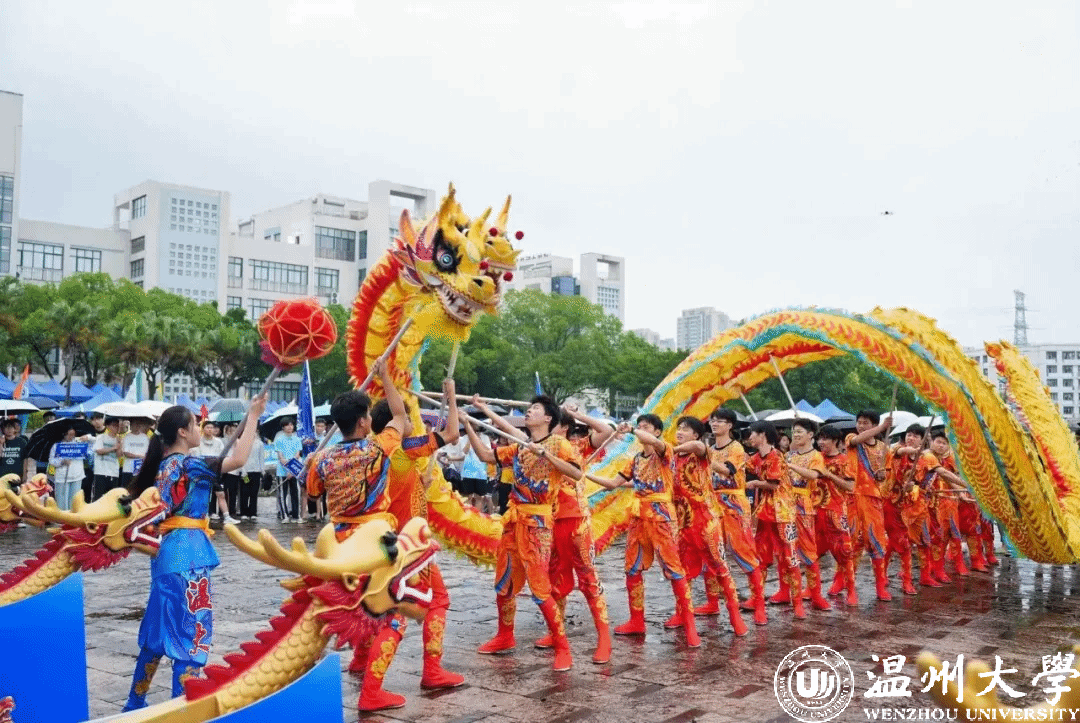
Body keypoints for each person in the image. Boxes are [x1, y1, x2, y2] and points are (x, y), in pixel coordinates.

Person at [120, 395, 266, 711]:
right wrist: (253, 416)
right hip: (189, 556)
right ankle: (181, 710)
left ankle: (134, 702)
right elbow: (239, 459)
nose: (200, 429)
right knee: (191, 634)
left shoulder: (159, 468)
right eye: (196, 424)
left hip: (165, 556)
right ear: (183, 432)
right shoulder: (191, 465)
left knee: (156, 633)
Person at [306, 360, 411, 710]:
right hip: (373, 542)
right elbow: (401, 416)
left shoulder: (323, 458)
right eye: (367, 415)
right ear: (364, 421)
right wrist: (385, 377)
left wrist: (313, 462)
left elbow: (313, 494)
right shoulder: (378, 447)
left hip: (337, 544)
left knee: (357, 604)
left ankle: (360, 660)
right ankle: (372, 692)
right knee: (391, 615)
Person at [466, 395, 585, 670]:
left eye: (535, 409)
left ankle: (562, 646)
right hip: (513, 521)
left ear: (548, 418)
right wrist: (469, 424)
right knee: (504, 583)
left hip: (538, 524)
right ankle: (505, 636)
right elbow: (486, 456)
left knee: (540, 587)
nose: (529, 412)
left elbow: (577, 474)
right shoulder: (520, 446)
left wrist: (547, 456)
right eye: (529, 408)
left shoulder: (559, 444)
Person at [373, 378, 466, 693]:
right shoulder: (404, 448)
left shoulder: (372, 451)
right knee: (436, 600)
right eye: (408, 419)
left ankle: (361, 661)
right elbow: (452, 434)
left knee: (378, 604)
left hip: (381, 540)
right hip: (411, 547)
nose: (413, 423)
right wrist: (451, 395)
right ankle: (431, 671)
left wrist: (418, 485)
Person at [587, 414, 701, 648]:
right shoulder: (635, 460)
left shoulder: (664, 451)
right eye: (639, 426)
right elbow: (613, 484)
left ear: (657, 432)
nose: (641, 430)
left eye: (645, 427)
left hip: (661, 517)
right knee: (632, 569)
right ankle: (636, 621)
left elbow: (654, 443)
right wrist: (583, 475)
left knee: (674, 570)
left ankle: (690, 626)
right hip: (638, 518)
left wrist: (630, 430)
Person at [666, 415, 747, 637]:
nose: (680, 432)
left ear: (696, 434)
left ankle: (735, 616)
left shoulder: (701, 452)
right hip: (683, 523)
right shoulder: (672, 459)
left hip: (705, 520)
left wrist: (669, 449)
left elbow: (697, 446)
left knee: (719, 567)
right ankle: (682, 614)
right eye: (678, 428)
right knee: (681, 572)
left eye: (685, 429)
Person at [708, 408, 767, 626]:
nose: (715, 424)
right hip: (713, 503)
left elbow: (727, 471)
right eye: (713, 420)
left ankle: (759, 604)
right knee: (711, 550)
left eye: (720, 421)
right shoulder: (710, 448)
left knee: (743, 551)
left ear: (730, 425)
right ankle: (712, 602)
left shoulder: (736, 448)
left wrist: (705, 457)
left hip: (734, 504)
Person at [745, 420, 805, 619]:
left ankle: (798, 603)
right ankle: (756, 598)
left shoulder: (776, 456)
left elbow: (773, 484)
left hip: (783, 513)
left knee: (790, 557)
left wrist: (755, 482)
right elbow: (742, 468)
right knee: (760, 556)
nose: (749, 437)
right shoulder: (755, 458)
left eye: (752, 433)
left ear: (762, 434)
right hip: (764, 513)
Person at [844, 410, 893, 601]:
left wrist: (882, 476)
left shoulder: (884, 448)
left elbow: (886, 476)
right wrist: (882, 428)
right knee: (851, 542)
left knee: (876, 541)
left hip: (873, 499)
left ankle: (880, 587)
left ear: (873, 424)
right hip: (853, 497)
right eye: (859, 422)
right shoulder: (852, 439)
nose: (861, 426)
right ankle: (849, 587)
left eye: (865, 423)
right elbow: (858, 439)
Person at [783, 418, 830, 612]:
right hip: (785, 505)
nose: (796, 435)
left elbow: (814, 475)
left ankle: (816, 595)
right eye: (794, 431)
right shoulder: (789, 455)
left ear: (811, 435)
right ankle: (791, 595)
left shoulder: (816, 456)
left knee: (809, 550)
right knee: (787, 551)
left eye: (800, 431)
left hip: (804, 506)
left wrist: (791, 466)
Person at [814, 425, 857, 606]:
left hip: (836, 511)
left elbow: (850, 486)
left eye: (825, 439)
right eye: (819, 438)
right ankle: (813, 589)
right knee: (812, 553)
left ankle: (851, 590)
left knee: (844, 552)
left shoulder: (845, 461)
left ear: (835, 441)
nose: (821, 442)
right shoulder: (816, 458)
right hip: (815, 510)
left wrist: (829, 475)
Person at [273, 418, 303, 523]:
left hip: (294, 470)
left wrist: (291, 470)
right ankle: (284, 515)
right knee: (283, 494)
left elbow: (297, 455)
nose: (290, 427)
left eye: (291, 425)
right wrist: (287, 470)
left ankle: (296, 515)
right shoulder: (279, 440)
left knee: (296, 493)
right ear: (283, 427)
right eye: (287, 425)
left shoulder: (297, 439)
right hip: (282, 471)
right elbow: (281, 457)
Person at [49, 426, 85, 511]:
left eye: (73, 434)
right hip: (62, 478)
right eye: (69, 434)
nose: (71, 437)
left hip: (77, 477)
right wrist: (62, 461)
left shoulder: (79, 444)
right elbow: (51, 461)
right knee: (61, 503)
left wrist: (88, 438)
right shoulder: (56, 446)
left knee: (74, 503)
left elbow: (92, 445)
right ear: (64, 434)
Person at [92, 417, 122, 501]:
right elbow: (99, 451)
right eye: (114, 425)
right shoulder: (101, 437)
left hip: (114, 472)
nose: (116, 428)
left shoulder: (118, 439)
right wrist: (113, 448)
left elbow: (119, 455)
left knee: (112, 499)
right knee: (98, 498)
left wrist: (119, 444)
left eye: (117, 426)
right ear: (108, 426)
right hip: (101, 472)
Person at [238, 432, 264, 521]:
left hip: (256, 471)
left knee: (254, 492)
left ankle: (253, 512)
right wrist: (242, 470)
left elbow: (261, 457)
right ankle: (244, 512)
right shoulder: (243, 443)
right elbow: (240, 457)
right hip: (245, 471)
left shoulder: (259, 443)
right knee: (244, 492)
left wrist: (262, 470)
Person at [120, 418, 151, 491]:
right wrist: (139, 456)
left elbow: (148, 452)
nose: (137, 426)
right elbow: (126, 453)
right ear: (131, 425)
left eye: (139, 424)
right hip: (128, 469)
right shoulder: (127, 437)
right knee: (126, 490)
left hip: (140, 469)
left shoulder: (145, 437)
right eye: (135, 424)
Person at [0, 417, 30, 488]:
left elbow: (25, 459)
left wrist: (25, 474)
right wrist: (1, 444)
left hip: (17, 476)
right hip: (2, 476)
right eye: (6, 427)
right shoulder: (1, 441)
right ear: (3, 429)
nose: (9, 430)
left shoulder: (22, 442)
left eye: (11, 427)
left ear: (15, 429)